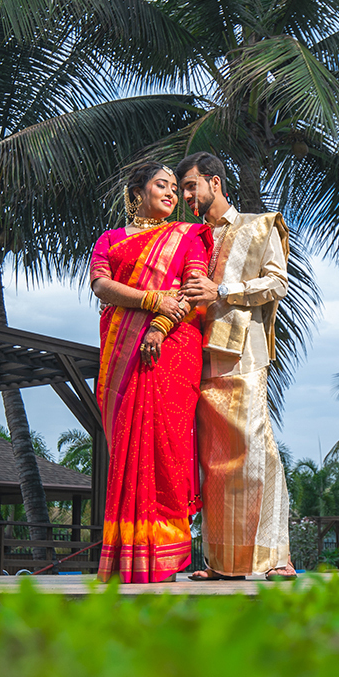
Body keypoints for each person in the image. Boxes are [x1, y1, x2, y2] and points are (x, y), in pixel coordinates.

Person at [89, 161, 213, 583]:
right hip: (122, 352)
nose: (172, 194)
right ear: (136, 192)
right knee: (127, 447)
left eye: (176, 188)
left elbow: (192, 290)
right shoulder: (111, 239)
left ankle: (162, 557)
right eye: (162, 185)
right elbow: (101, 285)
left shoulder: (189, 236)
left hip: (171, 350)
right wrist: (149, 302)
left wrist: (159, 326)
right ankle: (128, 555)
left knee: (166, 447)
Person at [177, 151, 297, 581]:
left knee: (255, 450)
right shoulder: (190, 239)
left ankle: (278, 557)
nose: (187, 196)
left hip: (244, 353)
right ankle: (220, 563)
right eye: (183, 189)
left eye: (192, 186)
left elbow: (277, 282)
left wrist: (223, 290)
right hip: (198, 356)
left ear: (215, 182)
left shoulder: (259, 224)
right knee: (214, 460)